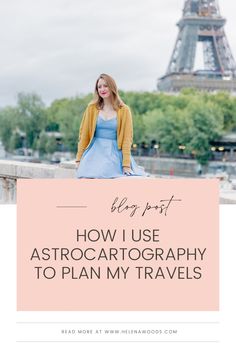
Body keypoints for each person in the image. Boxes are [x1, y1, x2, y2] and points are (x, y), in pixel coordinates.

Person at [75, 73, 146, 178]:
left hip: (114, 153)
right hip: (94, 152)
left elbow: (127, 138)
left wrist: (126, 164)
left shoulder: (124, 110)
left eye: (105, 85)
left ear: (112, 87)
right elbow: (84, 135)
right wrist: (78, 159)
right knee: (86, 177)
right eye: (99, 87)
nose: (102, 89)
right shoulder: (91, 108)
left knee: (105, 173)